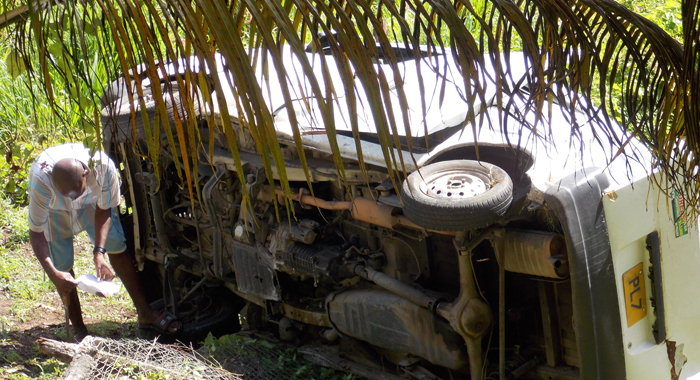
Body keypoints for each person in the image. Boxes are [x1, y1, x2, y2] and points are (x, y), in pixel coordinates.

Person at [27, 143, 180, 341]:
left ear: (86, 174)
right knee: (62, 265)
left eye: (76, 194)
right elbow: (36, 232)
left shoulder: (104, 167)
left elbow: (104, 209)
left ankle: (145, 313)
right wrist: (53, 273)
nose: (73, 201)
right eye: (68, 195)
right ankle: (80, 330)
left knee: (116, 244)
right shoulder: (41, 182)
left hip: (93, 202)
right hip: (54, 210)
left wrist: (99, 252)